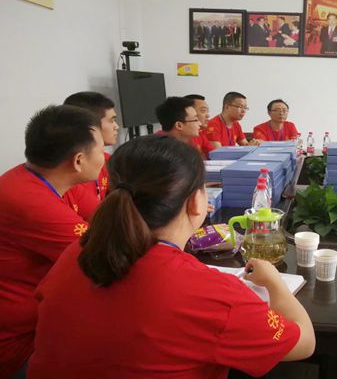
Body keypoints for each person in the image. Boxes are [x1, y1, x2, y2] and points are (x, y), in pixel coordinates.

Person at [27, 135, 315, 378]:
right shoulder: (212, 293)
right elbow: (304, 342)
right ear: (196, 202)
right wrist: (275, 283)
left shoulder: (78, 251)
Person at [0, 105, 105, 378]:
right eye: (101, 149)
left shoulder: (59, 180)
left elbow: (107, 222)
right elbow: (103, 257)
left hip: (54, 316)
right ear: (78, 160)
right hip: (23, 342)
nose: (104, 157)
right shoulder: (26, 200)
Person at [62, 91, 119, 222]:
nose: (116, 126)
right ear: (90, 127)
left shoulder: (108, 160)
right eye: (112, 121)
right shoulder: (67, 176)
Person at [184, 94, 215, 159]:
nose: (208, 115)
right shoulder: (181, 136)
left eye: (207, 111)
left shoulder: (199, 133)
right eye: (203, 111)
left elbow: (214, 154)